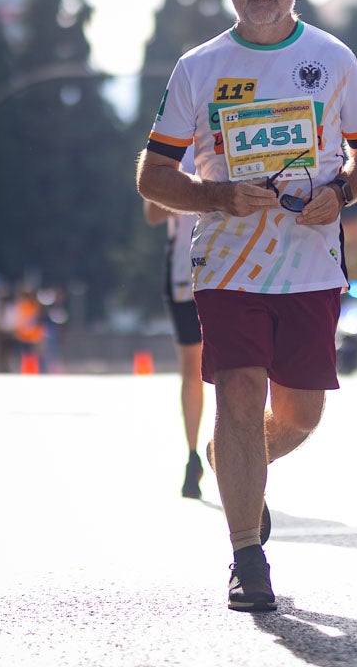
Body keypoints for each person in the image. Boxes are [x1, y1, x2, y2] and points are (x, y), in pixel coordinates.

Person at [135, 0, 357, 612]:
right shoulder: (200, 68)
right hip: (225, 268)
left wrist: (339, 194)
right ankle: (248, 558)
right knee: (239, 397)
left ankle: (232, 463)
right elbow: (152, 177)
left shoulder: (333, 59)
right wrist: (213, 194)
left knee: (300, 416)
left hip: (310, 268)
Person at [143, 150, 205, 499]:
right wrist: (192, 188)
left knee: (240, 365)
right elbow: (152, 211)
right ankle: (192, 454)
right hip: (184, 272)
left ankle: (235, 450)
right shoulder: (176, 144)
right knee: (191, 368)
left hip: (237, 264)